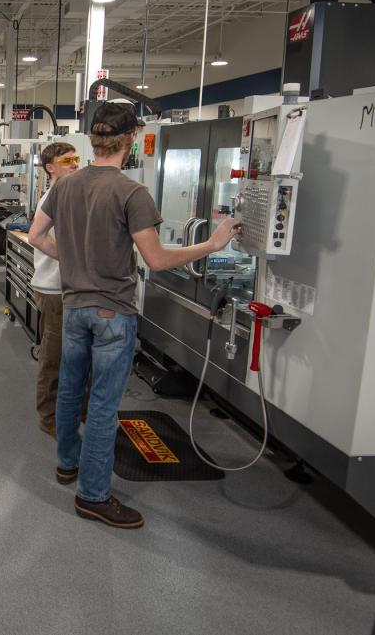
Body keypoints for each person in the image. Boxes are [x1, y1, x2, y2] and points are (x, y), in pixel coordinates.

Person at [28, 103, 239, 530]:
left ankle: (67, 465)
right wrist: (212, 245)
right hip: (112, 312)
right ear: (128, 141)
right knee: (103, 407)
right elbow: (157, 259)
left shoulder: (64, 186)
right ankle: (93, 496)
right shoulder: (131, 192)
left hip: (73, 307)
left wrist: (72, 264)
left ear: (92, 140)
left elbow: (35, 236)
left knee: (69, 391)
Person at [28, 141, 80, 438]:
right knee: (54, 355)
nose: (74, 164)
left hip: (71, 287)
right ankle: (49, 416)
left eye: (76, 158)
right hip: (53, 289)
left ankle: (80, 409)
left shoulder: (71, 193)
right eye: (67, 160)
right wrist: (76, 260)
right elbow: (37, 237)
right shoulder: (54, 196)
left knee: (76, 356)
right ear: (50, 168)